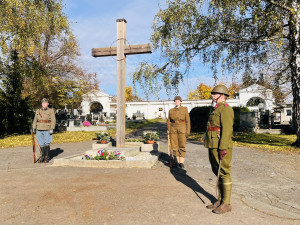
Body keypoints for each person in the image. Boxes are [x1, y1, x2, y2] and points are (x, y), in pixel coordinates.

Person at [204, 85, 234, 214]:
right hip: (213, 143)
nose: (212, 95)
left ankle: (226, 204)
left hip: (221, 145)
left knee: (224, 172)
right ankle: (220, 200)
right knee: (217, 171)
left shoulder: (226, 109)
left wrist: (223, 148)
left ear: (222, 95)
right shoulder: (216, 108)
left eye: (214, 93)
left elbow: (227, 130)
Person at [167, 96, 191, 168]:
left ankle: (181, 162)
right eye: (175, 100)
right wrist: (168, 130)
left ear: (180, 101)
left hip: (182, 128)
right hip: (173, 129)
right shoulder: (171, 111)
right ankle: (177, 161)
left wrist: (188, 131)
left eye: (178, 100)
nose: (177, 102)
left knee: (182, 145)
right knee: (174, 146)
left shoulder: (184, 110)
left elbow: (188, 121)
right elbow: (169, 121)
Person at [32, 98, 56, 163]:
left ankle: (46, 157)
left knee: (47, 143)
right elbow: (35, 120)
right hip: (39, 129)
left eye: (45, 103)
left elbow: (53, 120)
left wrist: (52, 128)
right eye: (43, 103)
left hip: (47, 129)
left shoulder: (51, 111)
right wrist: (33, 127)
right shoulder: (38, 111)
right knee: (41, 143)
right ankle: (42, 156)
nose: (44, 104)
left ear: (47, 104)